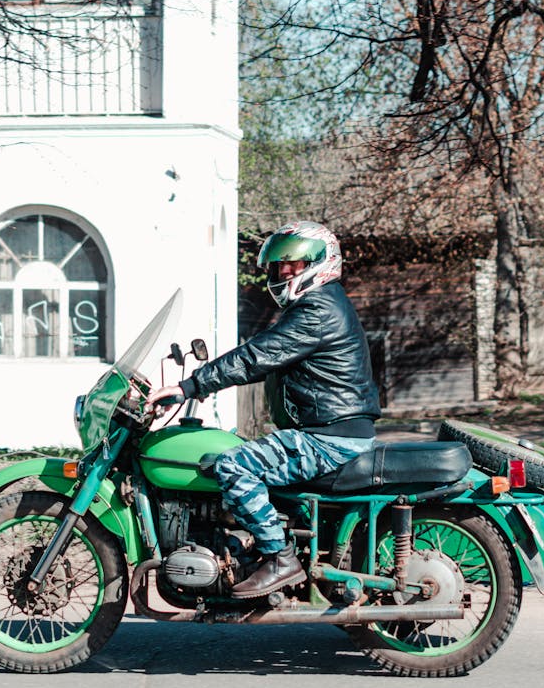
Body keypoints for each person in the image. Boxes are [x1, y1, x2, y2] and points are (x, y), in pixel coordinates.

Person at [146, 220, 380, 599]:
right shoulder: (317, 305)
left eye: (296, 264)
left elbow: (259, 355)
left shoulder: (318, 308)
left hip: (329, 439)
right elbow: (267, 359)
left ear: (321, 262)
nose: (284, 271)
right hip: (329, 432)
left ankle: (280, 557)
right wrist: (201, 386)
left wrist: (191, 385)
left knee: (232, 465)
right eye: (280, 265)